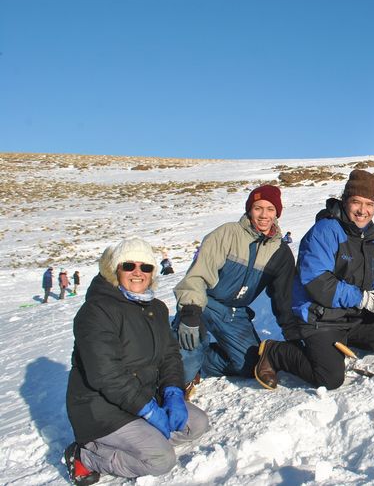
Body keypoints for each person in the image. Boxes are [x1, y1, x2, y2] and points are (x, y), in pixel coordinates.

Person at [64, 238, 209, 484]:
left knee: (197, 424)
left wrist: (173, 391)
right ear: (115, 270)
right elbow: (106, 375)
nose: (137, 273)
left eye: (146, 267)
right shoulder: (96, 311)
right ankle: (86, 455)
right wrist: (148, 410)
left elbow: (169, 355)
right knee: (160, 460)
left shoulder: (157, 308)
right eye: (129, 266)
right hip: (101, 408)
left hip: (141, 396)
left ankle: (143, 436)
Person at [254, 170, 374, 391]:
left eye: (369, 204)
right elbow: (318, 282)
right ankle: (275, 352)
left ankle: (335, 344)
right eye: (356, 202)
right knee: (330, 378)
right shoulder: (325, 231)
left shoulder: (373, 240)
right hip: (319, 317)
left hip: (349, 315)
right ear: (345, 202)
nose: (362, 210)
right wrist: (363, 299)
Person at [172, 185, 299, 394]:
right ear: (250, 210)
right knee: (186, 353)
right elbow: (198, 274)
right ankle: (181, 362)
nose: (264, 215)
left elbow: (283, 297)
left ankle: (197, 360)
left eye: (270, 209)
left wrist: (292, 333)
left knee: (250, 366)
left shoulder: (280, 253)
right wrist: (190, 312)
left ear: (277, 213)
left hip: (234, 311)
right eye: (258, 208)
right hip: (205, 302)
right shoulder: (228, 233)